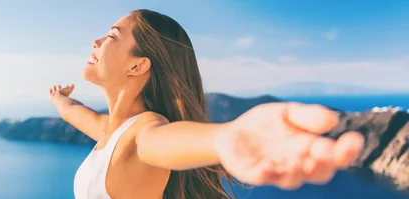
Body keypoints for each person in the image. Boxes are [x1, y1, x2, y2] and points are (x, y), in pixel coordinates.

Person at [48, 9, 364, 199]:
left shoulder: (144, 131)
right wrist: (59, 98)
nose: (97, 41)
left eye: (112, 36)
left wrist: (225, 137)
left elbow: (162, 141)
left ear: (138, 66)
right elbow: (75, 112)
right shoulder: (109, 130)